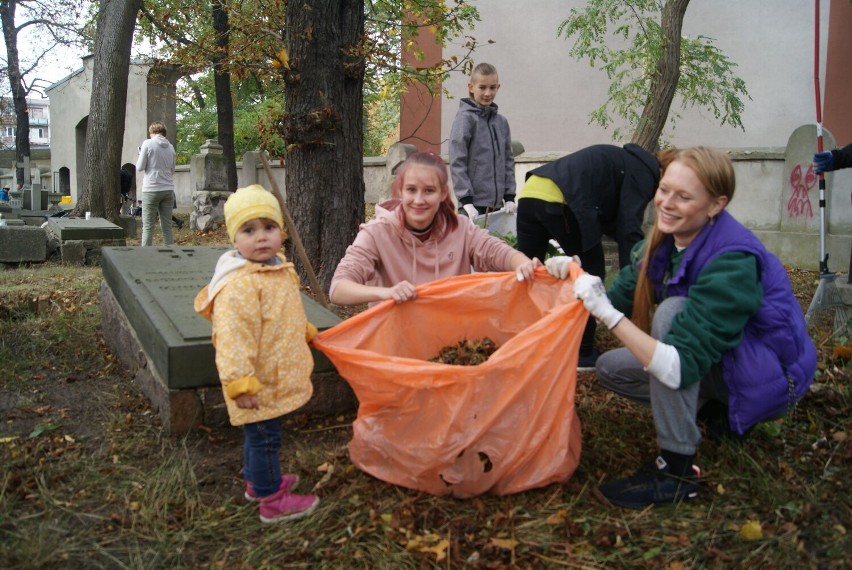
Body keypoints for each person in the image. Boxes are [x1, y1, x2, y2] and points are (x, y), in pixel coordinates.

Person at [545, 146, 816, 509]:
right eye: (664, 190)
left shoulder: (731, 260)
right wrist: (573, 275)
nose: (667, 203)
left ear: (716, 205)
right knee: (610, 368)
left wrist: (608, 314)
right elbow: (616, 295)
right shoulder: (667, 241)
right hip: (727, 362)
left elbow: (678, 366)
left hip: (772, 381)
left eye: (684, 196)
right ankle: (715, 412)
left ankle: (676, 471)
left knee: (671, 315)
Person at [194, 184, 320, 524]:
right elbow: (233, 339)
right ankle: (271, 499)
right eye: (249, 230)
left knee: (260, 433)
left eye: (269, 227)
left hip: (272, 372)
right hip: (257, 380)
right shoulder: (240, 285)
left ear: (282, 232)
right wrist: (240, 383)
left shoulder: (275, 267)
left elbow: (282, 311)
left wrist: (302, 330)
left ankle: (256, 480)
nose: (261, 237)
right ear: (235, 239)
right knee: (265, 437)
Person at [517, 144, 674, 370]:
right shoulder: (645, 172)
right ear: (664, 173)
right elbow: (628, 227)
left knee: (528, 274)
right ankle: (583, 352)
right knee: (591, 275)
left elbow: (615, 221)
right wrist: (637, 279)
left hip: (530, 192)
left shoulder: (623, 160)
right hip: (562, 201)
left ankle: (521, 344)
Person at [330, 151, 541, 306]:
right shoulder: (376, 233)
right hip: (393, 344)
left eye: (429, 191)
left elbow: (498, 252)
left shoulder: (461, 229)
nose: (419, 200)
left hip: (450, 339)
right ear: (400, 192)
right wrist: (386, 293)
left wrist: (522, 263)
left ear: (442, 194)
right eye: (411, 190)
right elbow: (338, 289)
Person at [449, 62, 516, 219]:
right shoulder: (465, 119)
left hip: (498, 206)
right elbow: (457, 160)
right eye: (482, 87)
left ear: (498, 87)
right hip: (472, 206)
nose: (488, 93)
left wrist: (509, 196)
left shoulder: (501, 122)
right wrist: (466, 200)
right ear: (471, 87)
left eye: (492, 87)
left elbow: (507, 161)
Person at [136, 121, 177, 246]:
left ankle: (146, 257)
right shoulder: (171, 147)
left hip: (151, 188)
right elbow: (172, 169)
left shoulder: (147, 144)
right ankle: (170, 255)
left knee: (148, 226)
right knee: (167, 227)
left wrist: (140, 153)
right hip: (168, 189)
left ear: (152, 132)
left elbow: (139, 167)